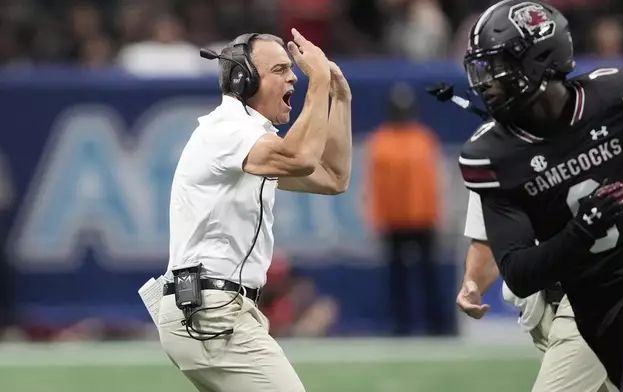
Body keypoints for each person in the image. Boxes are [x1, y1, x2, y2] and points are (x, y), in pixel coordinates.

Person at [458, 0, 623, 389]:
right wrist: (585, 228)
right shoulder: (493, 154)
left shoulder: (618, 96)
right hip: (597, 305)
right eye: (482, 69)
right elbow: (519, 271)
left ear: (540, 60)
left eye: (497, 67)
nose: (485, 82)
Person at [157, 29, 352, 392]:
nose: (293, 75)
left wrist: (339, 98)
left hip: (216, 310)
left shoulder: (251, 140)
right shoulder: (227, 130)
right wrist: (319, 78)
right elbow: (302, 157)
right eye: (280, 69)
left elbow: (333, 177)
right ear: (243, 79)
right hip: (210, 312)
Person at [457, 191, 617, 392]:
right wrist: (472, 283)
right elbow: (488, 239)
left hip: (595, 296)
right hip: (541, 310)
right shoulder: (486, 164)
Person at [363, 82, 446, 335]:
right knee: (397, 278)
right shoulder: (380, 141)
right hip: (394, 220)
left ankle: (437, 326)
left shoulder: (424, 138)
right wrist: (378, 218)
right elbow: (375, 185)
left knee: (429, 275)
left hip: (422, 218)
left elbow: (432, 183)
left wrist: (435, 215)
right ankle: (401, 326)